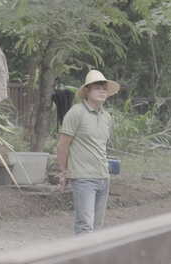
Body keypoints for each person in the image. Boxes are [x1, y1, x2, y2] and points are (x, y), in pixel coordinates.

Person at [56, 70, 120, 234]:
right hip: (83, 178)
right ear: (87, 91)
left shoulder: (106, 117)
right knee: (85, 226)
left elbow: (100, 146)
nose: (102, 91)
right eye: (97, 88)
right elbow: (63, 145)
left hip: (103, 177)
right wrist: (63, 172)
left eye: (104, 88)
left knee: (97, 228)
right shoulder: (76, 112)